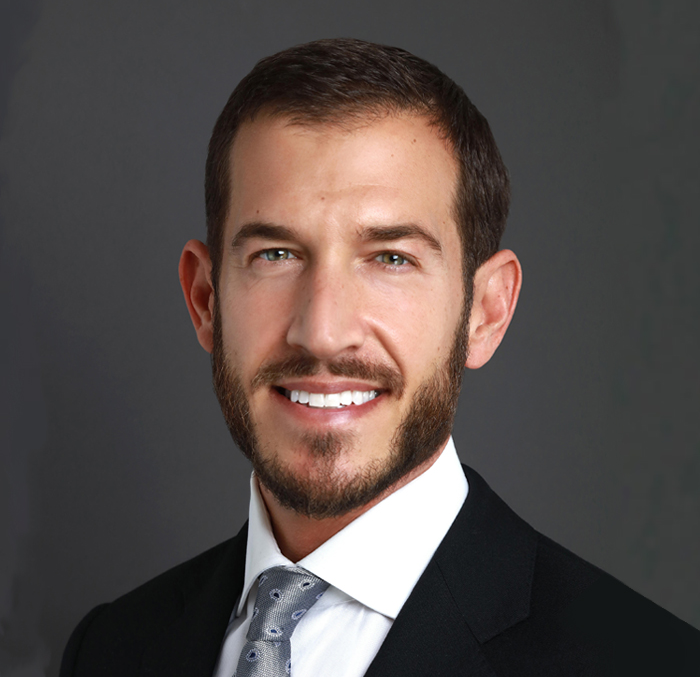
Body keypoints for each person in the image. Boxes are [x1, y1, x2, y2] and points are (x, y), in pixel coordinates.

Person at [60, 38, 699, 677]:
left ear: (485, 312)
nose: (322, 332)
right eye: (275, 255)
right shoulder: (110, 649)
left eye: (391, 258)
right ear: (205, 298)